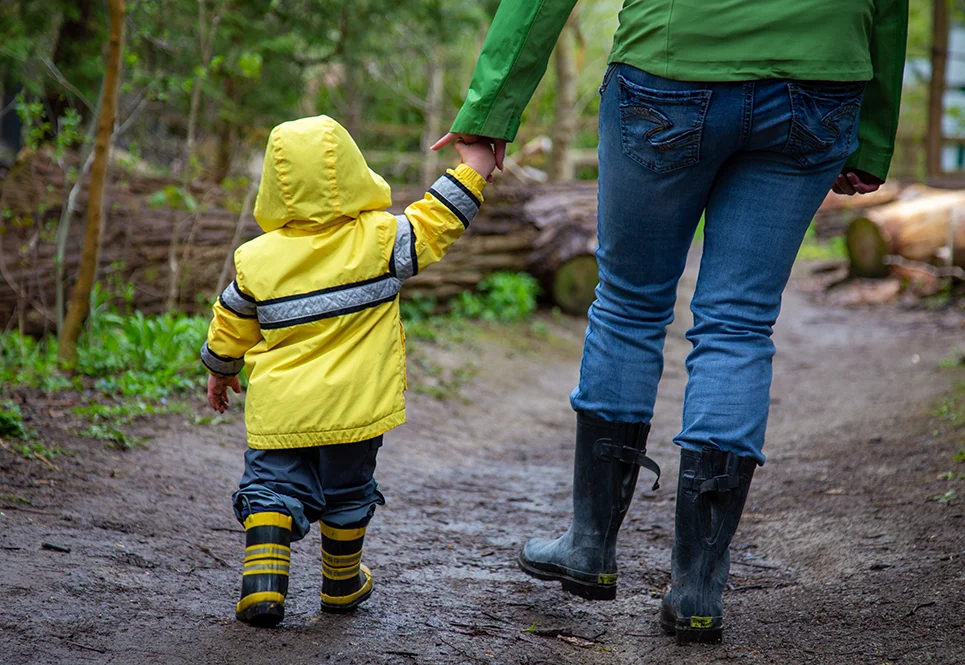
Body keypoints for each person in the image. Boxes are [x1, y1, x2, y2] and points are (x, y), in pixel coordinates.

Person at [434, 0, 907, 644]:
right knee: (739, 323)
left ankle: (590, 546)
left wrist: (491, 111)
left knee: (630, 302)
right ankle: (698, 589)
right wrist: (873, 135)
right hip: (820, 79)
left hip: (674, 64)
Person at [202, 115, 495, 627]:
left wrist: (220, 367)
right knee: (348, 491)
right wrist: (473, 168)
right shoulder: (381, 240)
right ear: (355, 169)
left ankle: (264, 585)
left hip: (282, 411)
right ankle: (340, 583)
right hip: (356, 407)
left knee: (271, 487)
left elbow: (233, 318)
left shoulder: (256, 258)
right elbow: (438, 219)